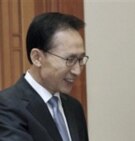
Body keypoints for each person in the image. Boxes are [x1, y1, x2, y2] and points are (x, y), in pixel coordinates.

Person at [0, 12, 89, 141]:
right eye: (70, 59)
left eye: (80, 59)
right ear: (37, 58)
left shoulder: (74, 107)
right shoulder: (6, 106)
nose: (77, 71)